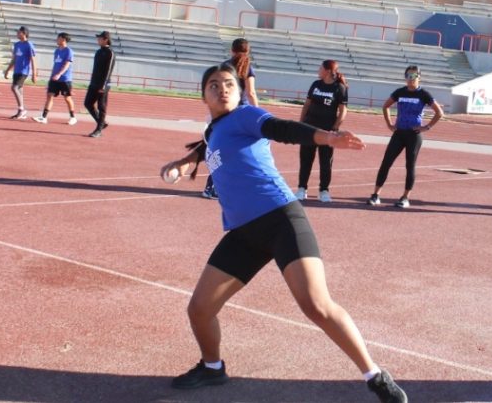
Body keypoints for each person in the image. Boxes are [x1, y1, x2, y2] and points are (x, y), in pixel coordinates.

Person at [160, 63, 407, 402]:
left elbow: (282, 128)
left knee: (316, 305)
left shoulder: (246, 116)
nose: (222, 89)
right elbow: (206, 147)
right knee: (200, 308)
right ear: (203, 95)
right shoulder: (214, 130)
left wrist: (327, 137)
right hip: (244, 232)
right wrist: (184, 163)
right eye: (214, 85)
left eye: (229, 83)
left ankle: (375, 375)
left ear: (240, 90)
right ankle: (213, 367)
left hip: (281, 220)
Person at [367, 65, 443, 209]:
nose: (411, 79)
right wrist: (389, 124)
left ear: (419, 77)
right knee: (386, 162)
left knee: (410, 166)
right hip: (399, 133)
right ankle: (376, 195)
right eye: (408, 76)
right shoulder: (400, 92)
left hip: (414, 135)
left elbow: (439, 112)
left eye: (414, 76)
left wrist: (426, 127)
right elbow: (385, 106)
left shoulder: (424, 94)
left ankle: (405, 197)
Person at [202, 38, 257, 199]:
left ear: (232, 51)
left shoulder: (224, 67)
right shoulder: (248, 69)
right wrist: (258, 113)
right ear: (247, 52)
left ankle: (213, 186)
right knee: (241, 150)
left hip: (223, 112)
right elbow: (251, 92)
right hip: (241, 114)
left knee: (220, 150)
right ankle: (217, 187)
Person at [296, 60, 349, 203]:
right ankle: (302, 188)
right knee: (306, 159)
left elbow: (343, 111)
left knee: (326, 162)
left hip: (327, 131)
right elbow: (306, 105)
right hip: (309, 128)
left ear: (328, 71)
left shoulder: (340, 88)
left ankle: (324, 190)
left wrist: (335, 127)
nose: (318, 70)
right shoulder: (316, 85)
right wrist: (301, 123)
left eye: (320, 68)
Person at [33, 32, 78, 125]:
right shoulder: (57, 51)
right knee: (49, 95)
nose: (57, 40)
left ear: (63, 39)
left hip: (65, 78)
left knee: (67, 98)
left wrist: (59, 74)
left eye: (58, 38)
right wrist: (51, 78)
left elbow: (67, 64)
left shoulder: (69, 51)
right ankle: (44, 117)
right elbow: (55, 65)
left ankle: (73, 117)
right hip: (55, 79)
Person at [85, 30, 117, 138]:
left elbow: (108, 70)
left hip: (103, 84)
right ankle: (102, 123)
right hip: (94, 82)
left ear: (105, 39)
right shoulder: (98, 52)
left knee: (101, 106)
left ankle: (98, 130)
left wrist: (103, 85)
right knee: (88, 103)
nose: (97, 40)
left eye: (100, 38)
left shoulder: (110, 53)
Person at [1, 26, 36, 119]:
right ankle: (22, 111)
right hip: (16, 71)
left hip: (23, 71)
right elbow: (14, 59)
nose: (17, 34)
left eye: (19, 32)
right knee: (19, 90)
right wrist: (8, 70)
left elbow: (33, 60)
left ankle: (21, 110)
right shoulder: (16, 45)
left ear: (24, 34)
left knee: (14, 88)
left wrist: (34, 74)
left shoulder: (29, 44)